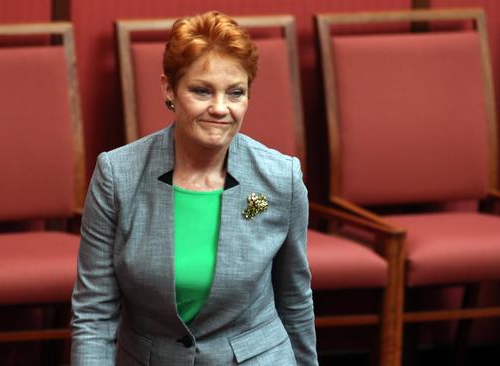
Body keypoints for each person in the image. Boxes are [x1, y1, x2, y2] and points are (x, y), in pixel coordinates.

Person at [71, 10, 317, 365]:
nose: (220, 108)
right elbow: (94, 314)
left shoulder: (281, 178)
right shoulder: (117, 176)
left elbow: (295, 302)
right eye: (202, 91)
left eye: (235, 93)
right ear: (169, 89)